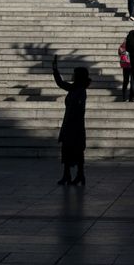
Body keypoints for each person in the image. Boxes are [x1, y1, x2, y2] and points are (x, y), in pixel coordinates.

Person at [52, 58, 90, 186]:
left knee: (77, 151)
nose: (72, 75)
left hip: (75, 125)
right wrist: (55, 70)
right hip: (69, 123)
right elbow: (61, 83)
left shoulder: (80, 90)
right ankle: (67, 175)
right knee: (67, 150)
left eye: (74, 73)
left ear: (78, 76)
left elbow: (79, 109)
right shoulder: (74, 88)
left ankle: (80, 175)